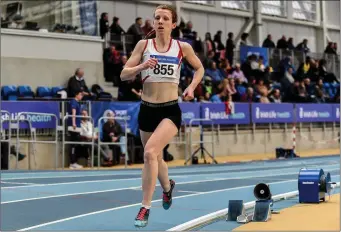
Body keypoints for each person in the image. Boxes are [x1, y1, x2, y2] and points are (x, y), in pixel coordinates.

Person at [120, 4, 204, 228]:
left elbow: (200, 68)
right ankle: (168, 188)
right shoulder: (143, 44)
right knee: (156, 158)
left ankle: (145, 207)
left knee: (149, 153)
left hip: (169, 109)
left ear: (173, 24)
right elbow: (123, 74)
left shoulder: (182, 47)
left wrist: (192, 87)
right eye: (157, 17)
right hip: (147, 109)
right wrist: (142, 66)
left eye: (165, 18)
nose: (159, 21)